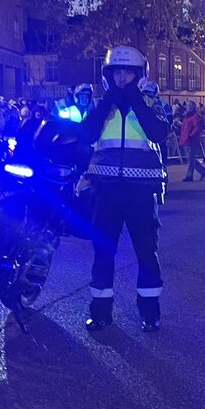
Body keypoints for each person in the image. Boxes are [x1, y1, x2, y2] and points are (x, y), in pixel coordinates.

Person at [79, 45, 169, 333]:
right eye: (117, 71)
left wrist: (136, 102)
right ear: (109, 74)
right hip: (106, 189)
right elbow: (87, 134)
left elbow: (159, 133)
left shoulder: (151, 102)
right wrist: (108, 103)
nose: (122, 77)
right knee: (103, 252)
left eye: (128, 71)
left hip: (140, 191)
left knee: (146, 253)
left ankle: (150, 313)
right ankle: (100, 312)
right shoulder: (102, 103)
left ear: (139, 74)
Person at [179, 100, 205, 182]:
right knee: (191, 159)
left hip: (191, 140)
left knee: (190, 159)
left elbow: (197, 128)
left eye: (189, 106)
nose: (187, 107)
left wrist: (190, 136)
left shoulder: (196, 116)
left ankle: (189, 176)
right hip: (186, 139)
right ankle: (203, 171)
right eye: (187, 106)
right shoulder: (187, 116)